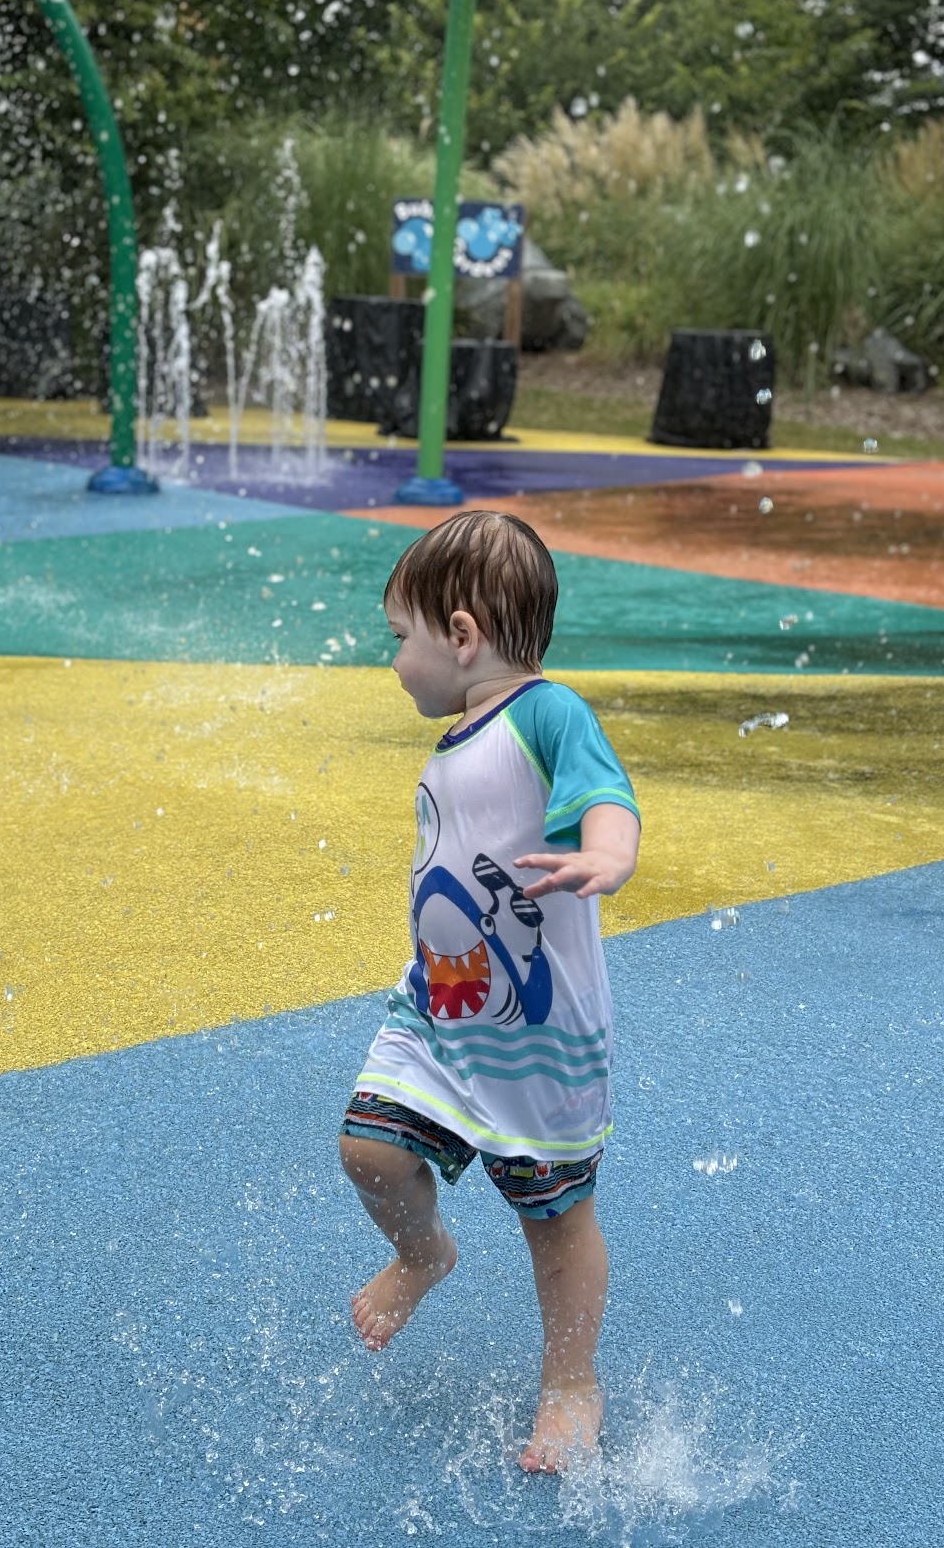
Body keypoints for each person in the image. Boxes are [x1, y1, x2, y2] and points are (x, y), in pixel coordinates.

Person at [339, 510, 640, 1473]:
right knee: (368, 1150)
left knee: (554, 1219)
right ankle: (425, 1252)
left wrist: (605, 855)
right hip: (438, 1001)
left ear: (462, 635)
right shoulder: (462, 732)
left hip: (539, 1028)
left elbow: (606, 794)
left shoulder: (547, 713)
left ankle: (571, 1383)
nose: (394, 660)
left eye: (401, 637)